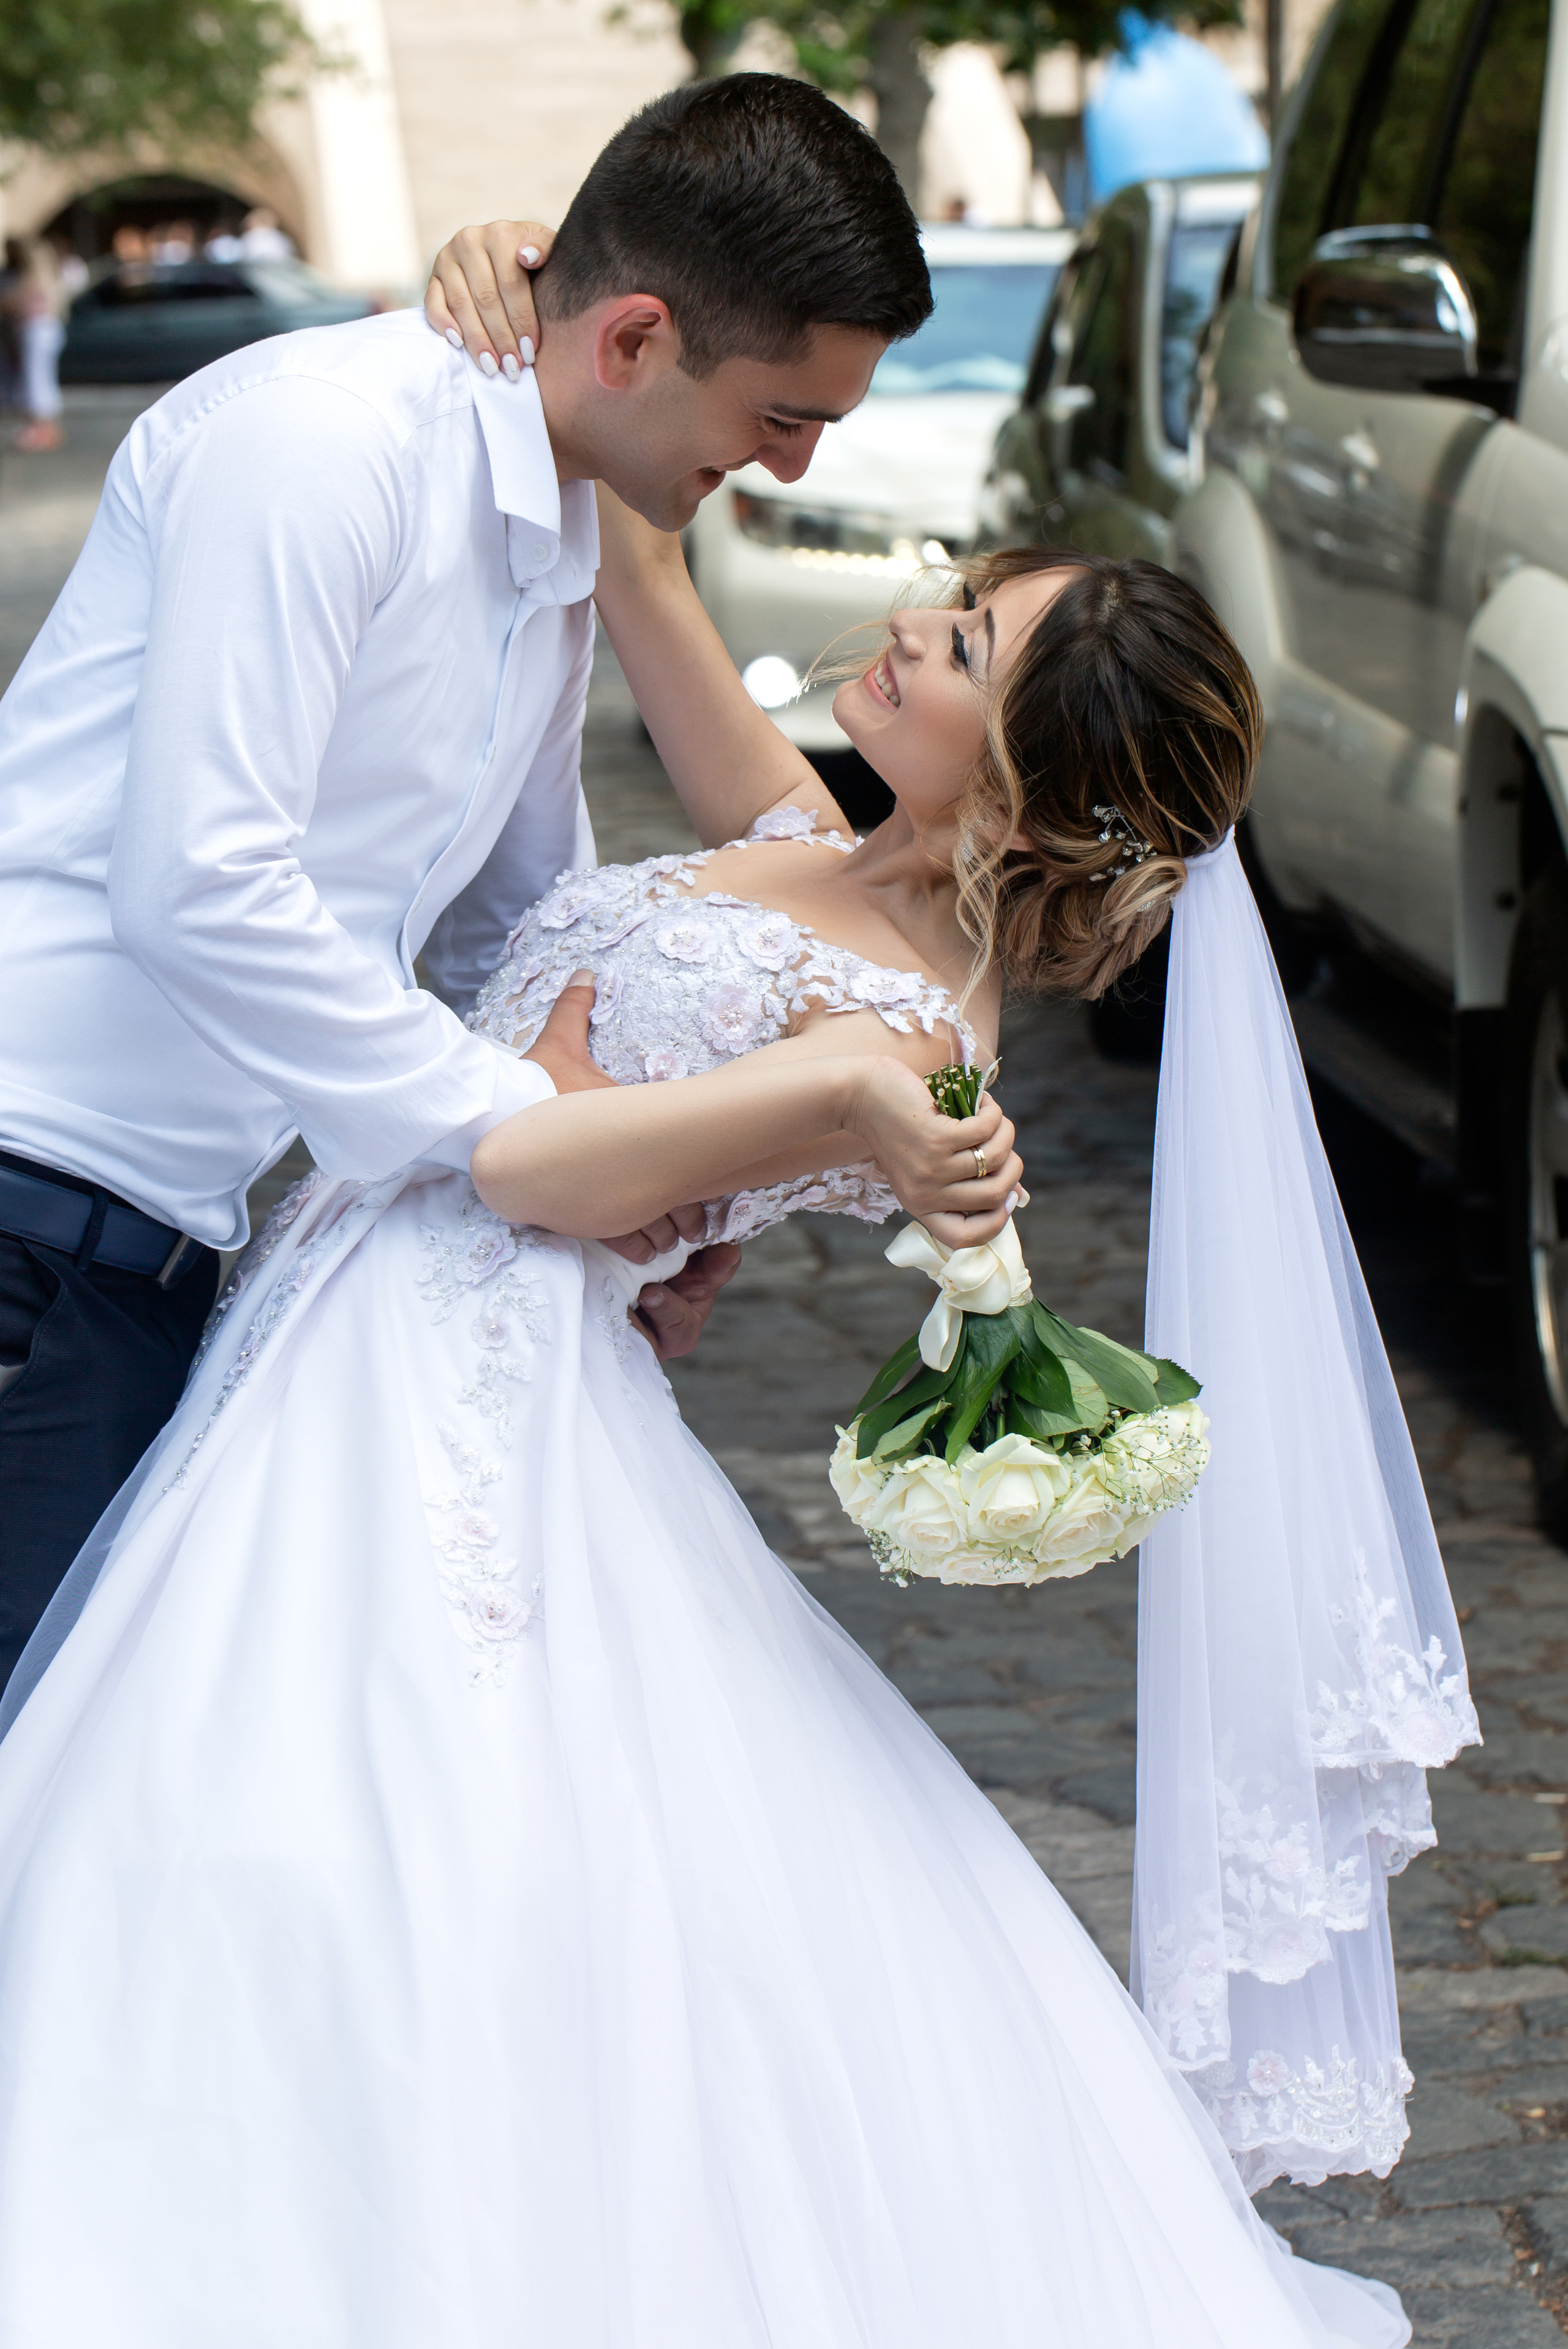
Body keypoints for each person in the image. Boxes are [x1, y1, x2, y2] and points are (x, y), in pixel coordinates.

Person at [0, 409, 1473, 2333]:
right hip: (343, 1319)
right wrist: (520, 296)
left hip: (468, 1377)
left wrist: (814, 1111)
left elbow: (533, 1169)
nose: (911, 621)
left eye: (964, 645)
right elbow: (637, 552)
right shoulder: (807, 837)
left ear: (1030, 789)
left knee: (356, 1805)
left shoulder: (913, 1040)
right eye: (955, 596)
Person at [0, 75, 933, 1691]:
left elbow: (521, 920)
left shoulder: (559, 526)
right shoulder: (326, 444)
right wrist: (521, 1119)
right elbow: (197, 883)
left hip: (160, 1257)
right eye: (782, 416)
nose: (784, 469)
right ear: (633, 339)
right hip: (28, 1201)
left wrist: (646, 1197)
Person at [8, 236, 67, 453]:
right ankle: (45, 429)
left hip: (39, 330)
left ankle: (44, 430)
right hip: (45, 330)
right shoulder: (49, 276)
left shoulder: (36, 277)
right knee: (41, 380)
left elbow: (18, 302)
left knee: (37, 381)